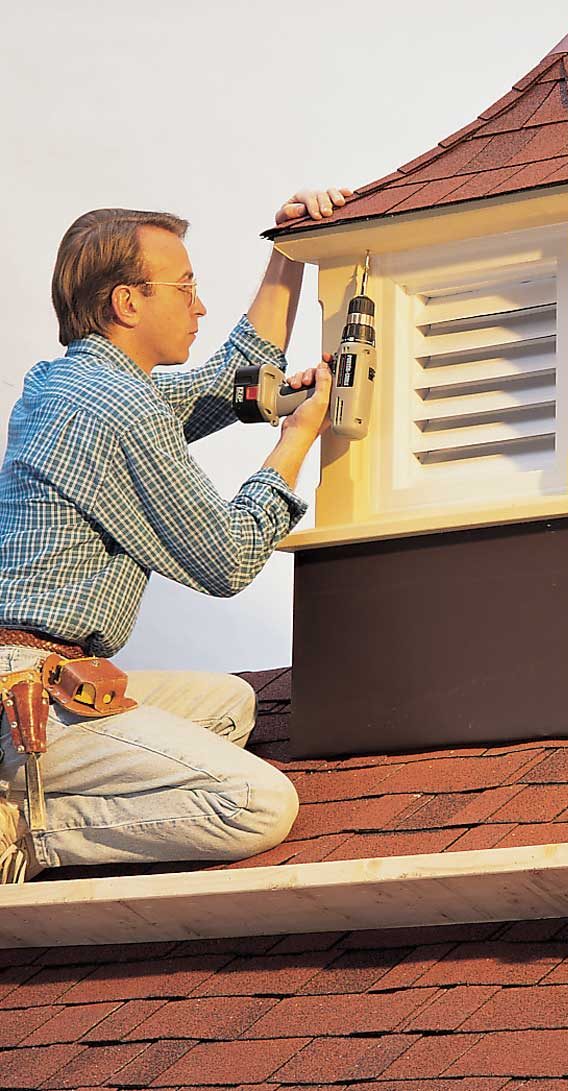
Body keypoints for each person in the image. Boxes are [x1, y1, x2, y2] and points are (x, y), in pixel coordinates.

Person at [0, 187, 350, 883]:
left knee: (231, 707)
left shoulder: (67, 384)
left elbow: (229, 383)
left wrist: (290, 247)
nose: (199, 305)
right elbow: (227, 558)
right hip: (29, 705)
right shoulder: (119, 408)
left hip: (44, 683)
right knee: (255, 800)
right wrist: (296, 441)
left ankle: (31, 793)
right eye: (185, 286)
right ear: (128, 303)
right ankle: (29, 831)